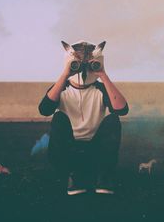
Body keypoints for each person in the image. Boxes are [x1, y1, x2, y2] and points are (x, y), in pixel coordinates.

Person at [38, 40, 128, 195]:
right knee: (59, 118)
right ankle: (73, 175)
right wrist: (66, 74)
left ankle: (104, 176)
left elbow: (122, 110)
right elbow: (45, 109)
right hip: (68, 151)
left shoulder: (100, 89)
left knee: (113, 119)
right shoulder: (61, 88)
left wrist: (102, 74)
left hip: (95, 151)